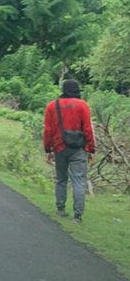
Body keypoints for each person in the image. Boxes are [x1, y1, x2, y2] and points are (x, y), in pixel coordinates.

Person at [43, 79, 96, 224]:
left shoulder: (52, 106)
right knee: (78, 180)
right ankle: (77, 216)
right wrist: (91, 149)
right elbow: (88, 129)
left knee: (61, 179)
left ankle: (60, 209)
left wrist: (48, 149)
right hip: (78, 148)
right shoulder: (83, 105)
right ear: (77, 91)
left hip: (59, 146)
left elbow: (48, 130)